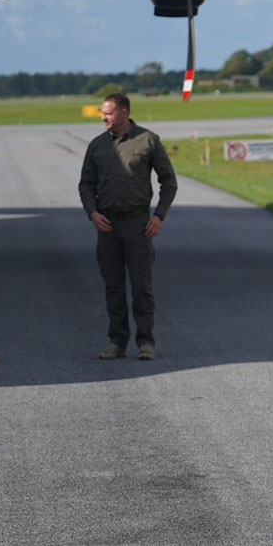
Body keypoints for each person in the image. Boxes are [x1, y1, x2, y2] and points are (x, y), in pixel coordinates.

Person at [78, 93, 177, 361]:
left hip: (138, 225)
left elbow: (169, 181)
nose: (103, 117)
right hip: (108, 226)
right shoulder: (97, 146)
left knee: (141, 287)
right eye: (102, 112)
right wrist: (93, 213)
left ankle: (146, 342)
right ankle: (116, 342)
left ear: (124, 112)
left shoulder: (148, 140)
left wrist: (159, 216)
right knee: (114, 288)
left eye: (108, 113)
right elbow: (85, 184)